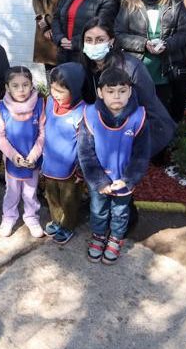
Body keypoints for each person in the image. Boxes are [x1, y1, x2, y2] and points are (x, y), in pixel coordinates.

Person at [79, 67, 150, 265]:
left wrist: (128, 179)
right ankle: (99, 236)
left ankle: (116, 238)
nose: (116, 96)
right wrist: (99, 180)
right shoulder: (90, 115)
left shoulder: (139, 117)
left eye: (122, 91)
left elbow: (141, 154)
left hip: (123, 180)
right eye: (110, 91)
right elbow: (85, 153)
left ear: (130, 91)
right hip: (99, 181)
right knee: (98, 209)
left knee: (120, 212)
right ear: (100, 93)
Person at [76, 18, 176, 157]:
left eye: (100, 40)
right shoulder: (85, 66)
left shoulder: (130, 67)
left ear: (111, 41)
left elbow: (148, 106)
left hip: (137, 128)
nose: (93, 44)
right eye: (89, 40)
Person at [116, 0, 186, 122]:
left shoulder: (175, 2)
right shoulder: (129, 3)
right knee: (137, 117)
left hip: (167, 69)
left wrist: (168, 44)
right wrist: (143, 44)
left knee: (163, 116)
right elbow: (119, 34)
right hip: (137, 69)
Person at [0, 66, 46, 238]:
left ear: (32, 85)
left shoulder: (39, 104)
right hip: (13, 161)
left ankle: (31, 217)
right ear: (7, 87)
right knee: (12, 191)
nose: (21, 89)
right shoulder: (2, 109)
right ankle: (9, 217)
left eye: (25, 84)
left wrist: (34, 155)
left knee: (30, 192)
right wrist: (13, 155)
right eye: (15, 86)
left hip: (32, 160)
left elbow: (43, 133)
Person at [41, 63, 87, 245]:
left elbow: (85, 145)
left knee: (69, 200)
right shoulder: (50, 102)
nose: (55, 94)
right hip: (50, 164)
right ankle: (56, 220)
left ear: (75, 90)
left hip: (70, 169)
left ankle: (67, 226)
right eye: (53, 89)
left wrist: (80, 170)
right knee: (51, 196)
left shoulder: (82, 112)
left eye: (61, 91)